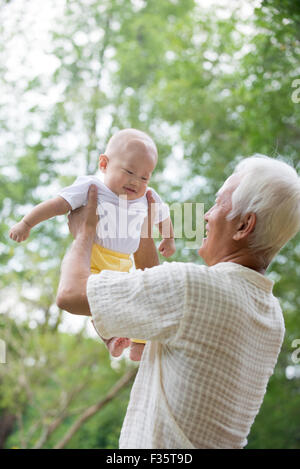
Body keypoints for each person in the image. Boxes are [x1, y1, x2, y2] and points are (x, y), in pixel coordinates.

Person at [56, 154, 300, 449]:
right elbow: (169, 309)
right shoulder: (271, 316)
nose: (207, 215)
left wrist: (86, 232)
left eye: (219, 203)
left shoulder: (195, 288)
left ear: (244, 225)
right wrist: (142, 227)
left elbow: (70, 294)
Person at [9, 128, 176, 361]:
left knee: (137, 298)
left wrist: (168, 238)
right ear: (104, 164)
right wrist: (26, 223)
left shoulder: (148, 196)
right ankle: (110, 339)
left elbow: (162, 217)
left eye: (144, 177)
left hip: (123, 262)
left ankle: (139, 344)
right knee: (98, 301)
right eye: (129, 171)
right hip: (92, 258)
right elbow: (57, 205)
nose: (136, 182)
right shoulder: (90, 188)